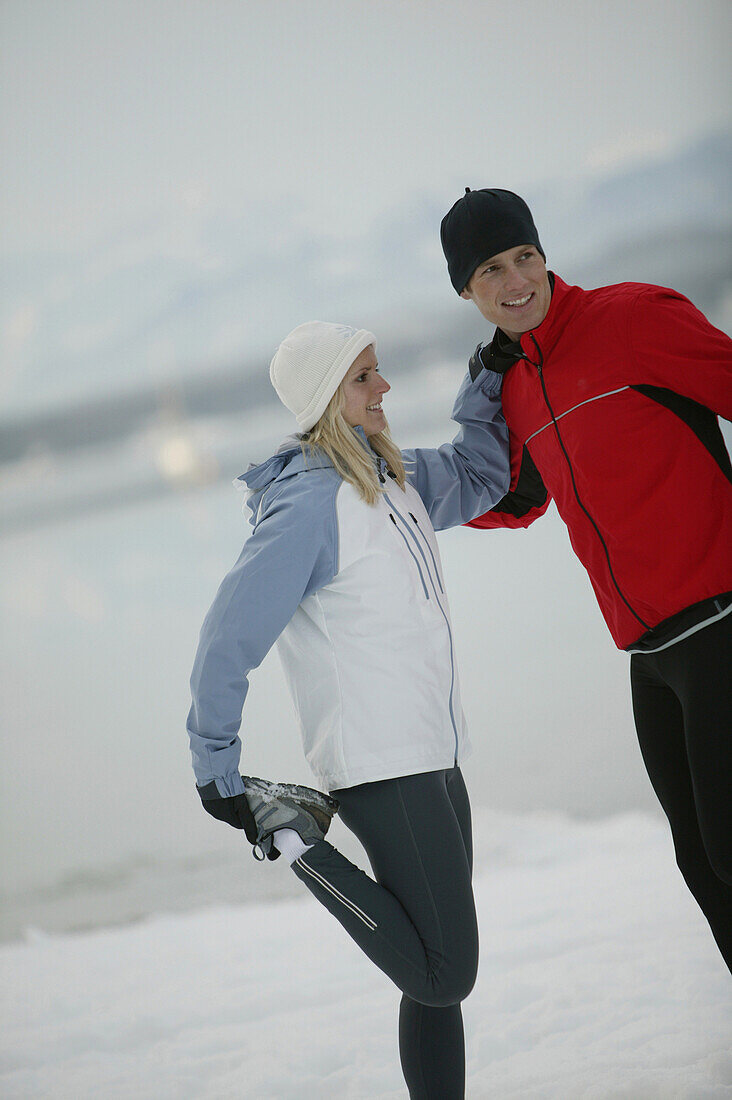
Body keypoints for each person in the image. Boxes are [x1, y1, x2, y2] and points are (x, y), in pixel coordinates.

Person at [186, 320, 512, 1099]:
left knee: (427, 970)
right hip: (378, 760)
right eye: (366, 378)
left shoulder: (389, 478)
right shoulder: (307, 505)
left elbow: (482, 471)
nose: (385, 389)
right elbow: (229, 635)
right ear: (330, 396)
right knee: (443, 973)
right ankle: (295, 836)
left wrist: (489, 373)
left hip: (433, 750)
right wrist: (214, 764)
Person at [440, 187, 732, 971]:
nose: (515, 282)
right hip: (648, 655)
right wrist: (388, 489)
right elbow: (515, 501)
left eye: (524, 257)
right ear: (466, 291)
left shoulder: (634, 317)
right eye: (490, 270)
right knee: (702, 866)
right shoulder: (514, 385)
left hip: (721, 623)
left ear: (544, 255)